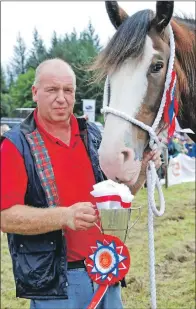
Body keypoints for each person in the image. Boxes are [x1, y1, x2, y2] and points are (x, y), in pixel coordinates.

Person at [0, 58, 162, 309]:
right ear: (35, 93)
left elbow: (118, 198)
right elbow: (6, 217)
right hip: (55, 285)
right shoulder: (15, 145)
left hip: (107, 269)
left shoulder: (95, 136)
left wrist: (141, 171)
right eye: (52, 90)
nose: (61, 98)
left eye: (68, 90)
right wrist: (64, 216)